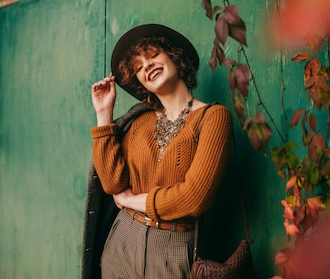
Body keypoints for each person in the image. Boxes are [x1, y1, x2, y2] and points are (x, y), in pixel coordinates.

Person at [89, 24, 233, 279]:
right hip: (122, 240)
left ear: (174, 57)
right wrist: (104, 114)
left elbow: (194, 198)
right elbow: (113, 183)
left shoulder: (213, 117)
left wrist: (131, 201)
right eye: (138, 66)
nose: (146, 65)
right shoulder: (139, 122)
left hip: (173, 248)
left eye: (153, 55)